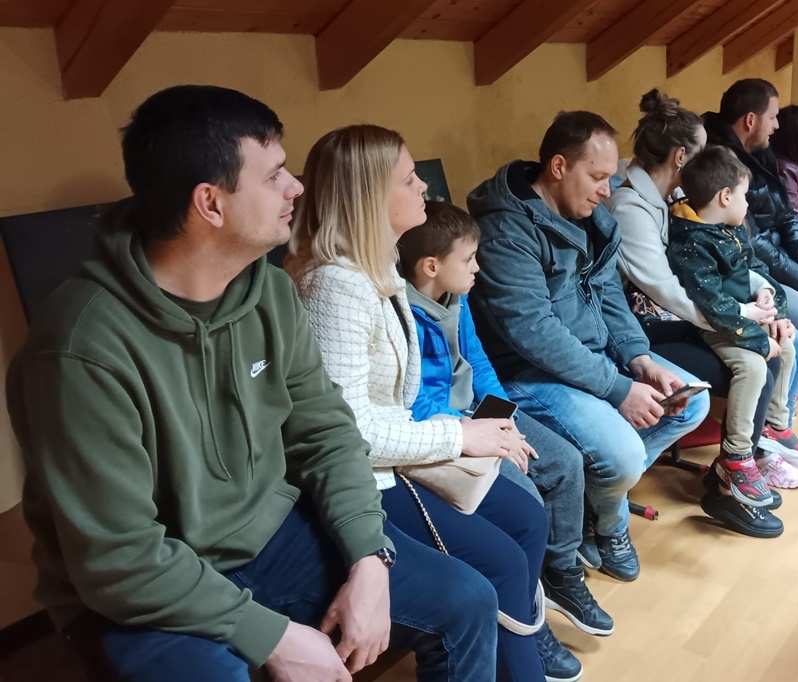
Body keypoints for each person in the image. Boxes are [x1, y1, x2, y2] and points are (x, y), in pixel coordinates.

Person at [5, 85, 499, 682]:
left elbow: (327, 433)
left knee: (467, 600)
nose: (295, 187)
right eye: (273, 176)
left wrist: (370, 556)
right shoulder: (79, 348)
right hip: (143, 585)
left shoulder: (268, 291)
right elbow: (119, 557)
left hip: (272, 534)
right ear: (210, 203)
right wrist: (273, 637)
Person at [285, 125, 573, 682]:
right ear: (370, 196)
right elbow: (349, 433)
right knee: (500, 561)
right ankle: (519, 656)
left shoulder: (379, 269)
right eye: (409, 179)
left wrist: (472, 424)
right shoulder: (334, 288)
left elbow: (407, 397)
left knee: (527, 517)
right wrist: (461, 435)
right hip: (365, 482)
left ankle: (522, 638)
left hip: (401, 458)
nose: (424, 187)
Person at [466, 111, 711, 582]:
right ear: (559, 167)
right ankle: (610, 522)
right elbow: (533, 332)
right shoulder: (505, 232)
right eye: (597, 177)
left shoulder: (593, 218)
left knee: (689, 404)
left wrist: (639, 358)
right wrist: (619, 389)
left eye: (610, 177)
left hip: (593, 359)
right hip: (528, 372)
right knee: (622, 456)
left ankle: (593, 502)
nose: (606, 189)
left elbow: (610, 296)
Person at [397, 200, 615, 647]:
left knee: (565, 463)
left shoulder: (457, 297)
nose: (477, 267)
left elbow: (478, 361)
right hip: (445, 429)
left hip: (479, 415)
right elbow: (418, 403)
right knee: (525, 495)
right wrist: (480, 434)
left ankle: (561, 573)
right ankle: (526, 611)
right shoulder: (401, 315)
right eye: (469, 259)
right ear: (432, 266)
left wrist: (504, 417)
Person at [606, 89, 798, 502]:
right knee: (758, 362)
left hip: (691, 314)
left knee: (789, 345)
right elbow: (668, 292)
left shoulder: (673, 197)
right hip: (646, 327)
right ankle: (737, 466)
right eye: (702, 153)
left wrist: (764, 305)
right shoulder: (630, 209)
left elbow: (731, 262)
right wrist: (742, 320)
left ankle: (760, 448)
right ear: (680, 157)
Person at [668, 145, 798, 537]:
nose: (748, 203)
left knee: (789, 345)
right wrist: (758, 336)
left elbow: (753, 269)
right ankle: (736, 456)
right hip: (717, 327)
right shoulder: (691, 242)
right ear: (724, 197)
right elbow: (711, 305)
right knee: (753, 367)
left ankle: (774, 428)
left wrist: (771, 301)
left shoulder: (731, 229)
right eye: (745, 195)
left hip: (745, 318)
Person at [702, 79, 798, 403]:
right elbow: (752, 241)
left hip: (777, 256)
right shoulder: (721, 160)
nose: (777, 125)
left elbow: (787, 216)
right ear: (751, 120)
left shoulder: (762, 152)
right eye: (772, 117)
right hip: (750, 265)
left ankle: (797, 378)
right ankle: (780, 395)